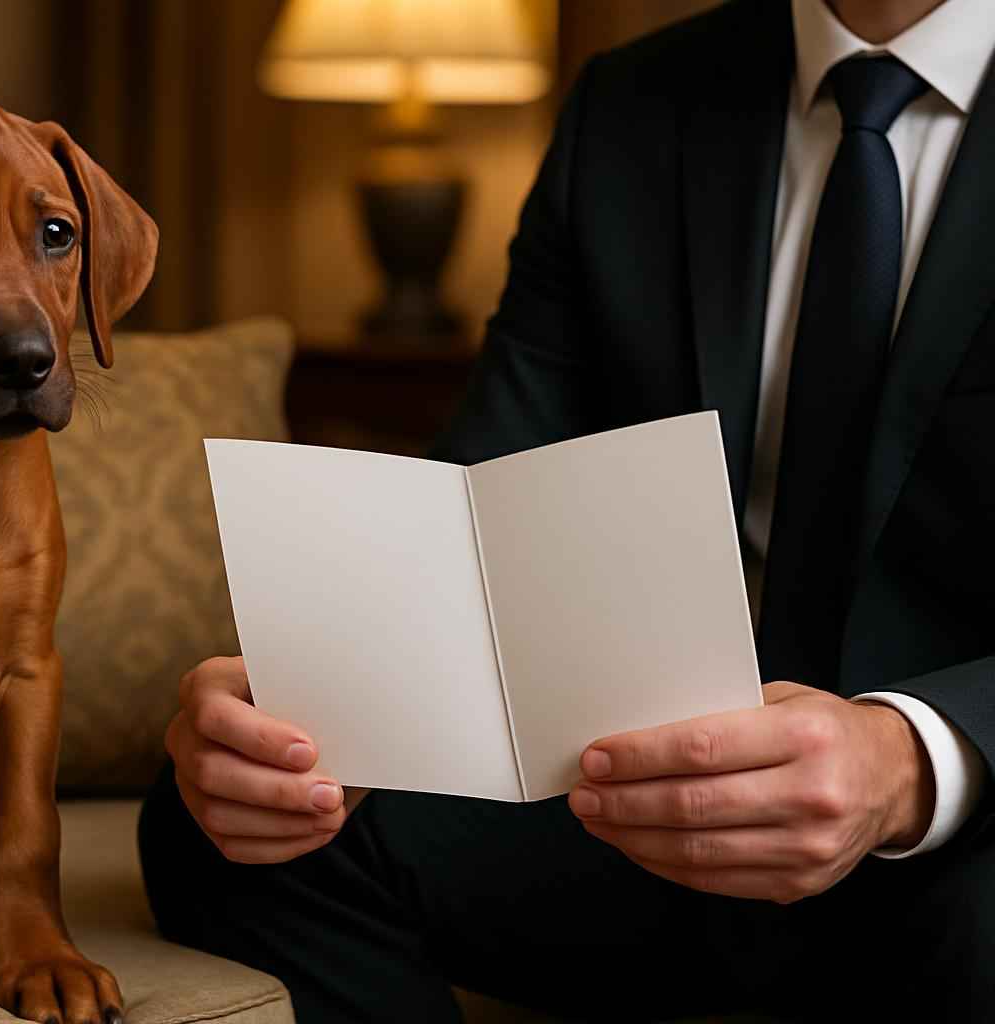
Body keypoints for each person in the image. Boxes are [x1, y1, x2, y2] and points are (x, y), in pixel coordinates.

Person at [137, 0, 995, 1019]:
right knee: (224, 823)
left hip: (963, 814)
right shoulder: (634, 103)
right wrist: (327, 705)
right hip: (647, 787)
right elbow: (489, 491)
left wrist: (908, 759)